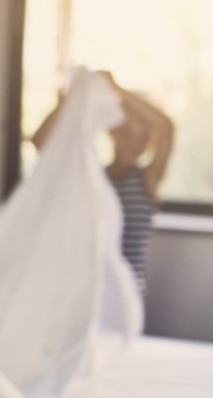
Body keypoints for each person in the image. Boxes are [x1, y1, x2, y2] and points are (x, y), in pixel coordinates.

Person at [32, 71, 174, 296]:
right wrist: (76, 97)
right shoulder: (91, 177)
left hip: (127, 292)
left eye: (143, 137)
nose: (135, 144)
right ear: (113, 133)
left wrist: (117, 88)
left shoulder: (148, 179)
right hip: (86, 287)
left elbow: (166, 127)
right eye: (128, 133)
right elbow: (40, 142)